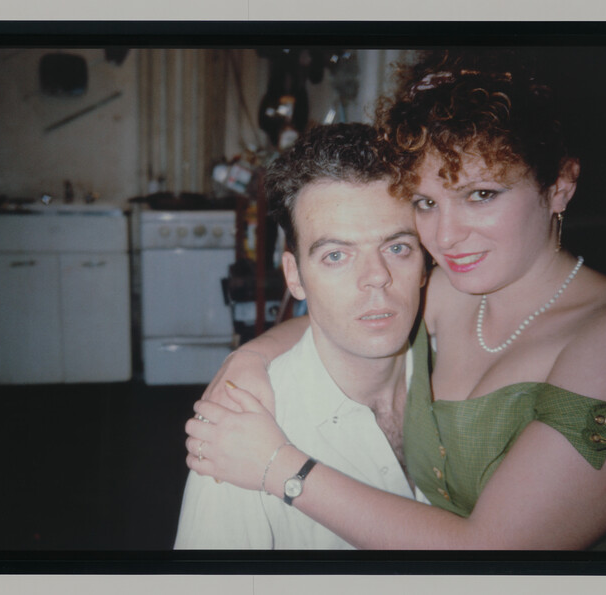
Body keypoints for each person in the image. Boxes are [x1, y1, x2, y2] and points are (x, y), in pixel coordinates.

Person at [184, 50, 606, 550]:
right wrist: (251, 356)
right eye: (426, 203)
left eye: (481, 195)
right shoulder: (450, 289)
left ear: (560, 184)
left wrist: (280, 467)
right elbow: (362, 306)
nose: (447, 235)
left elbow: (492, 559)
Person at [174, 123, 430, 549]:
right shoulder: (242, 431)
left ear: (425, 261)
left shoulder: (464, 371)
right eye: (336, 255)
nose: (376, 278)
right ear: (294, 276)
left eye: (397, 247)